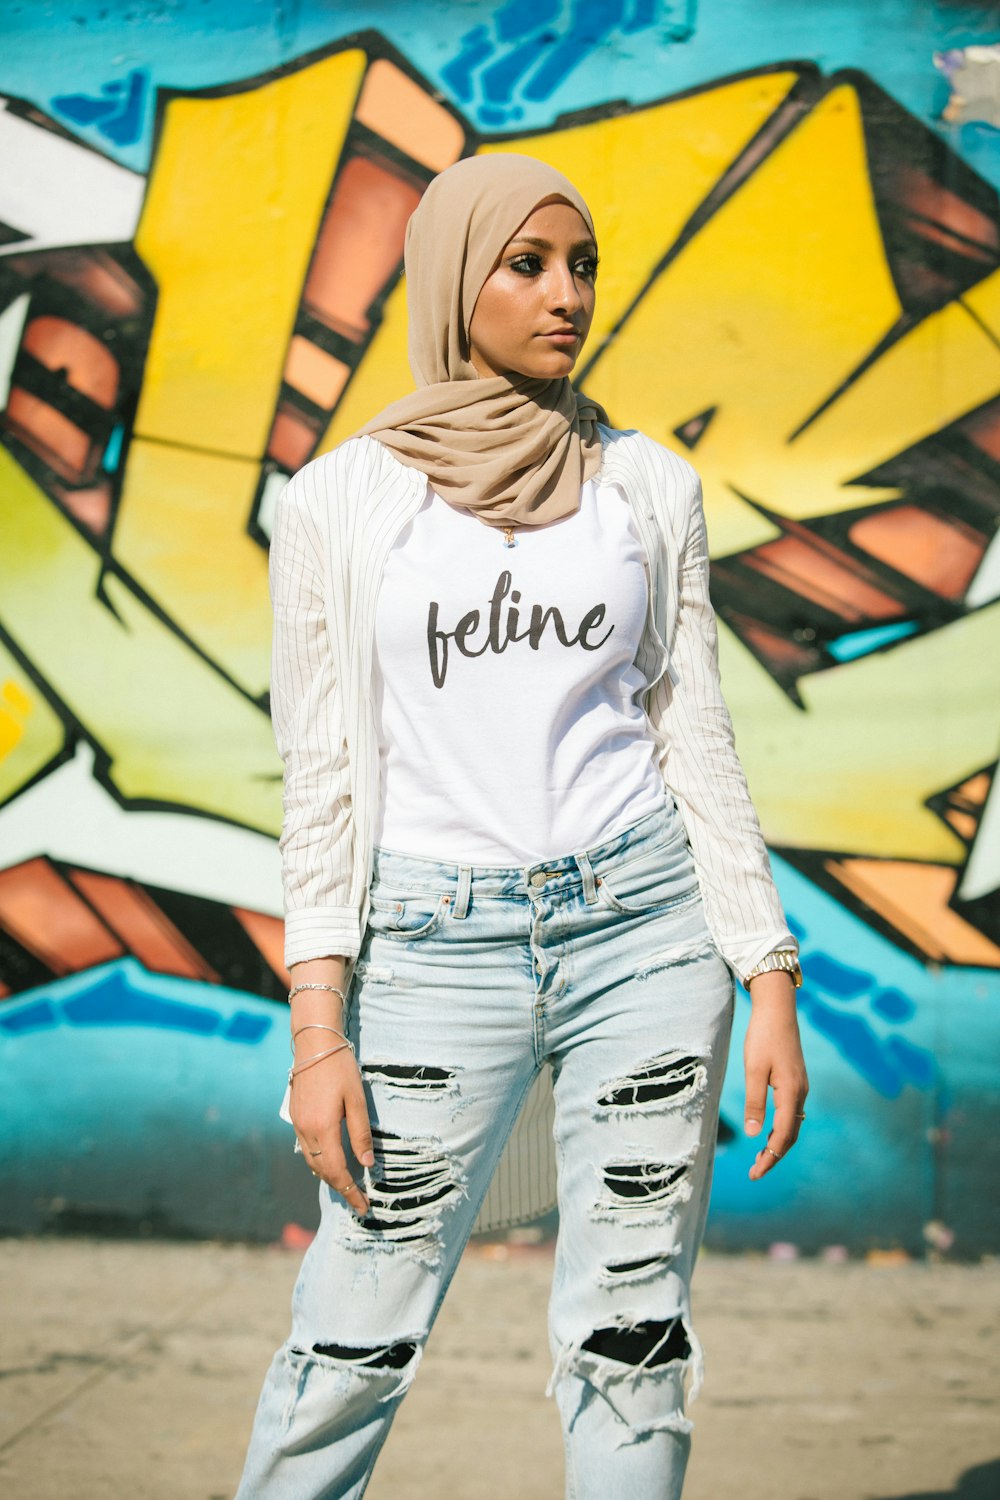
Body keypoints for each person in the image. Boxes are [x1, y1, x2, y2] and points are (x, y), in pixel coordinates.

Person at [235, 152, 808, 1500]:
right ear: (452, 279)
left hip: (646, 935)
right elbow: (316, 780)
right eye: (529, 264)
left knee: (633, 1333)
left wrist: (766, 965)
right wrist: (320, 1030)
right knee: (355, 1330)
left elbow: (693, 736)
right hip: (430, 948)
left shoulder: (647, 487)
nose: (568, 296)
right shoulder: (342, 504)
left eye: (584, 266)